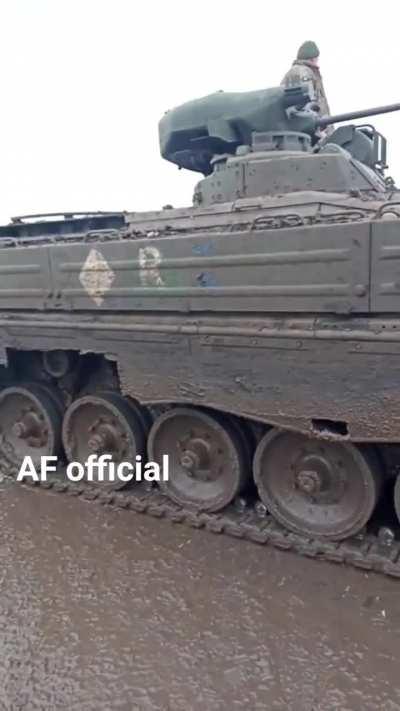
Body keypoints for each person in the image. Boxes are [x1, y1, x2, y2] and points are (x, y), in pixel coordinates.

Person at [281, 41, 331, 121]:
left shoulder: (298, 71)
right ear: (312, 58)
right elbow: (308, 101)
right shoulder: (304, 72)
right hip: (312, 125)